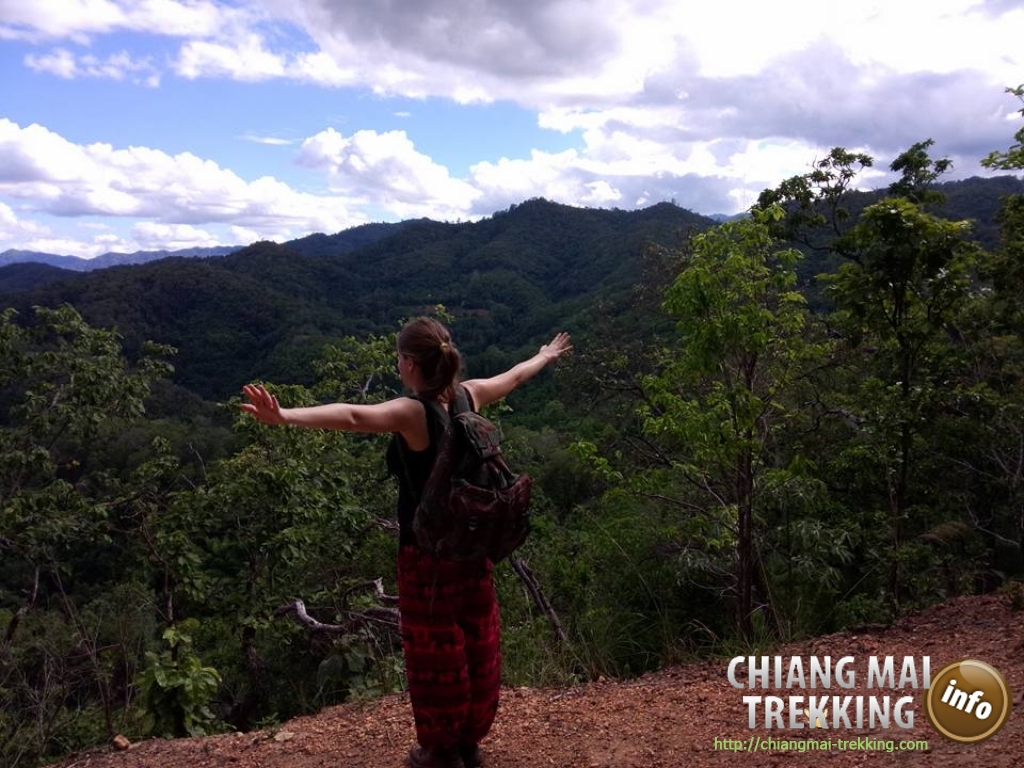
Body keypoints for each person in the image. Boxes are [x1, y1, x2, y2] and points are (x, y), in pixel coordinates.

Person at [240, 317, 572, 768]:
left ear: (413, 363)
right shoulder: (469, 395)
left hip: (426, 558)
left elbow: (354, 415)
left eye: (399, 358)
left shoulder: (412, 413)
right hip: (472, 550)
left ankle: (441, 751)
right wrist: (544, 356)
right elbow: (512, 377)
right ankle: (470, 742)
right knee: (477, 638)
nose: (397, 365)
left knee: (437, 652)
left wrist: (283, 417)